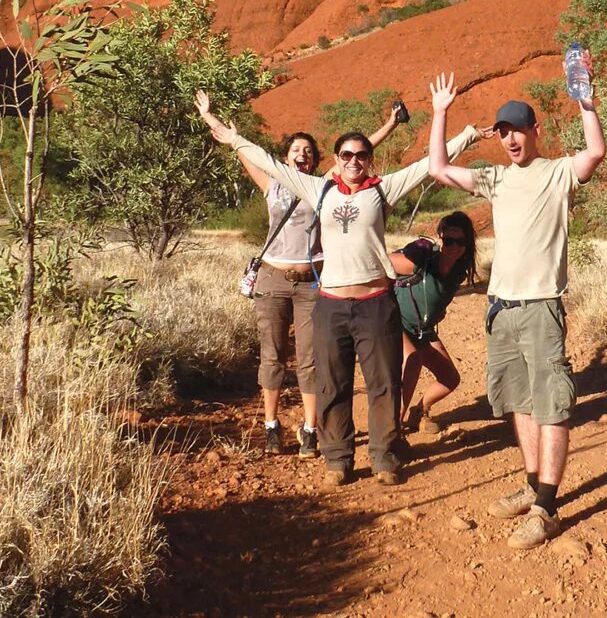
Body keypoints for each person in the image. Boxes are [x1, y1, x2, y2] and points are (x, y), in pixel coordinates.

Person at [197, 91, 478, 487]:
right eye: (345, 155)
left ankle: (383, 458)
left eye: (361, 155)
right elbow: (270, 164)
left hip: (376, 303)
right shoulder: (318, 188)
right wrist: (229, 136)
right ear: (337, 159)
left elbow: (428, 166)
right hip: (330, 304)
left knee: (383, 383)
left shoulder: (383, 190)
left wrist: (462, 132)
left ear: (369, 159)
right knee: (333, 382)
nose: (353, 161)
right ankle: (338, 459)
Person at [426, 71, 606, 550]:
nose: (509, 138)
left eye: (517, 129)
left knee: (551, 405)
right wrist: (442, 112)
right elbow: (438, 168)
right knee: (520, 403)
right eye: (502, 131)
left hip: (541, 307)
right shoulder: (496, 178)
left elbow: (595, 154)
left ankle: (547, 507)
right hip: (501, 309)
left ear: (535, 132)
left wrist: (586, 101)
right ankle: (531, 485)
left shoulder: (558, 171)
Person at [230, 106, 406, 459]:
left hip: (313, 282)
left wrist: (389, 124)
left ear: (316, 161)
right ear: (286, 157)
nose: (303, 155)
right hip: (272, 278)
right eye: (296, 150)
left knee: (312, 360)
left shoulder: (323, 185)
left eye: (309, 151)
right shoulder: (273, 185)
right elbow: (253, 157)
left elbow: (356, 154)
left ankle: (311, 431)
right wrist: (227, 133)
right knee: (272, 357)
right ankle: (271, 427)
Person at [390, 211, 478, 436]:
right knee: (412, 361)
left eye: (461, 242)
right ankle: (393, 428)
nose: (455, 247)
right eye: (449, 241)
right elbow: (381, 261)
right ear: (440, 238)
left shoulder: (460, 268)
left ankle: (419, 411)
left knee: (450, 379)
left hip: (422, 329)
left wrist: (437, 312)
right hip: (396, 322)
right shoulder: (420, 259)